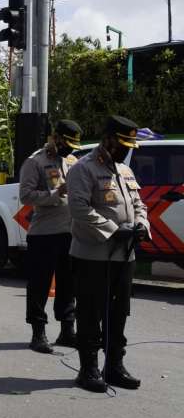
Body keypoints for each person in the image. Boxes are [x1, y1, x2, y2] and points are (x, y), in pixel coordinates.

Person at [67, 115, 149, 392]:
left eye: (130, 144)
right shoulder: (83, 168)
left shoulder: (125, 171)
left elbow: (140, 204)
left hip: (124, 256)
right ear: (109, 139)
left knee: (119, 313)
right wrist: (114, 229)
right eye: (123, 143)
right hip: (93, 255)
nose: (126, 149)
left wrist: (141, 225)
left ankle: (114, 366)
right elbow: (79, 208)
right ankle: (88, 369)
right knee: (90, 313)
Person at [18, 119, 82, 353]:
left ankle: (67, 330)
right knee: (39, 285)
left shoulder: (73, 161)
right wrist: (56, 193)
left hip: (70, 232)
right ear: (56, 138)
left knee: (68, 284)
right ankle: (38, 333)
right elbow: (25, 196)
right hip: (44, 233)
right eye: (66, 143)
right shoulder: (35, 162)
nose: (69, 149)